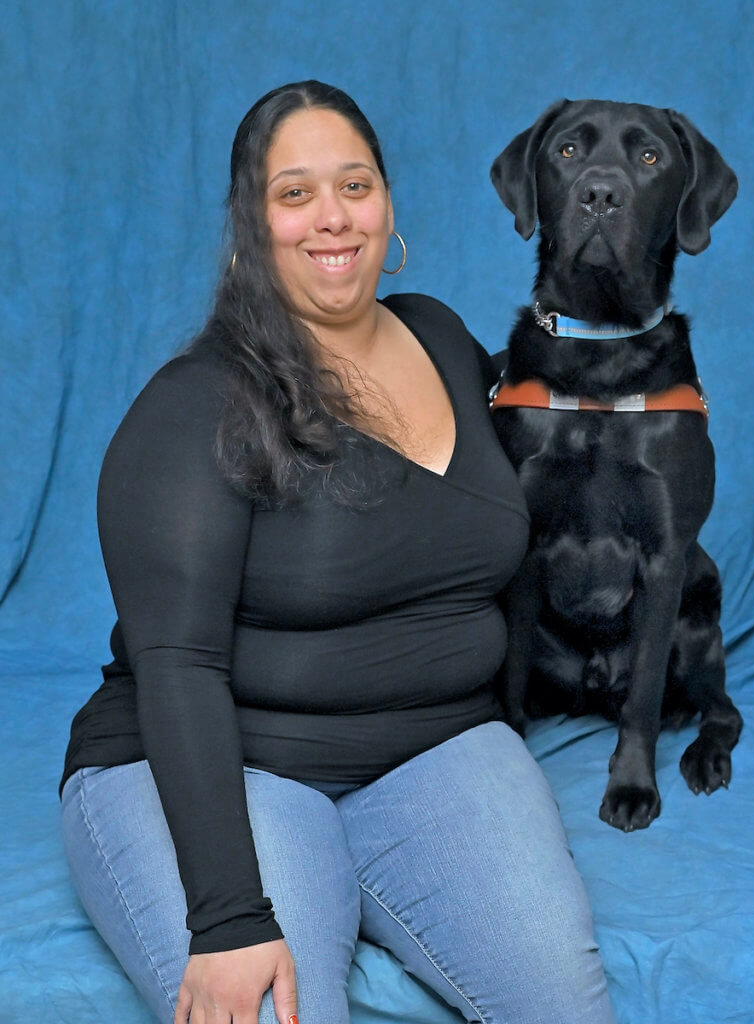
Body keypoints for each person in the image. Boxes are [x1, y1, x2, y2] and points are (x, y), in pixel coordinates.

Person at [60, 80, 616, 1024]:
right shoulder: (196, 405)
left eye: (355, 185)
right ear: (249, 222)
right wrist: (229, 917)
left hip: (438, 752)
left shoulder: (439, 336)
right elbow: (178, 664)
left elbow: (546, 449)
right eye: (294, 193)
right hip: (232, 764)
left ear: (387, 203)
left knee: (564, 1008)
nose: (332, 217)